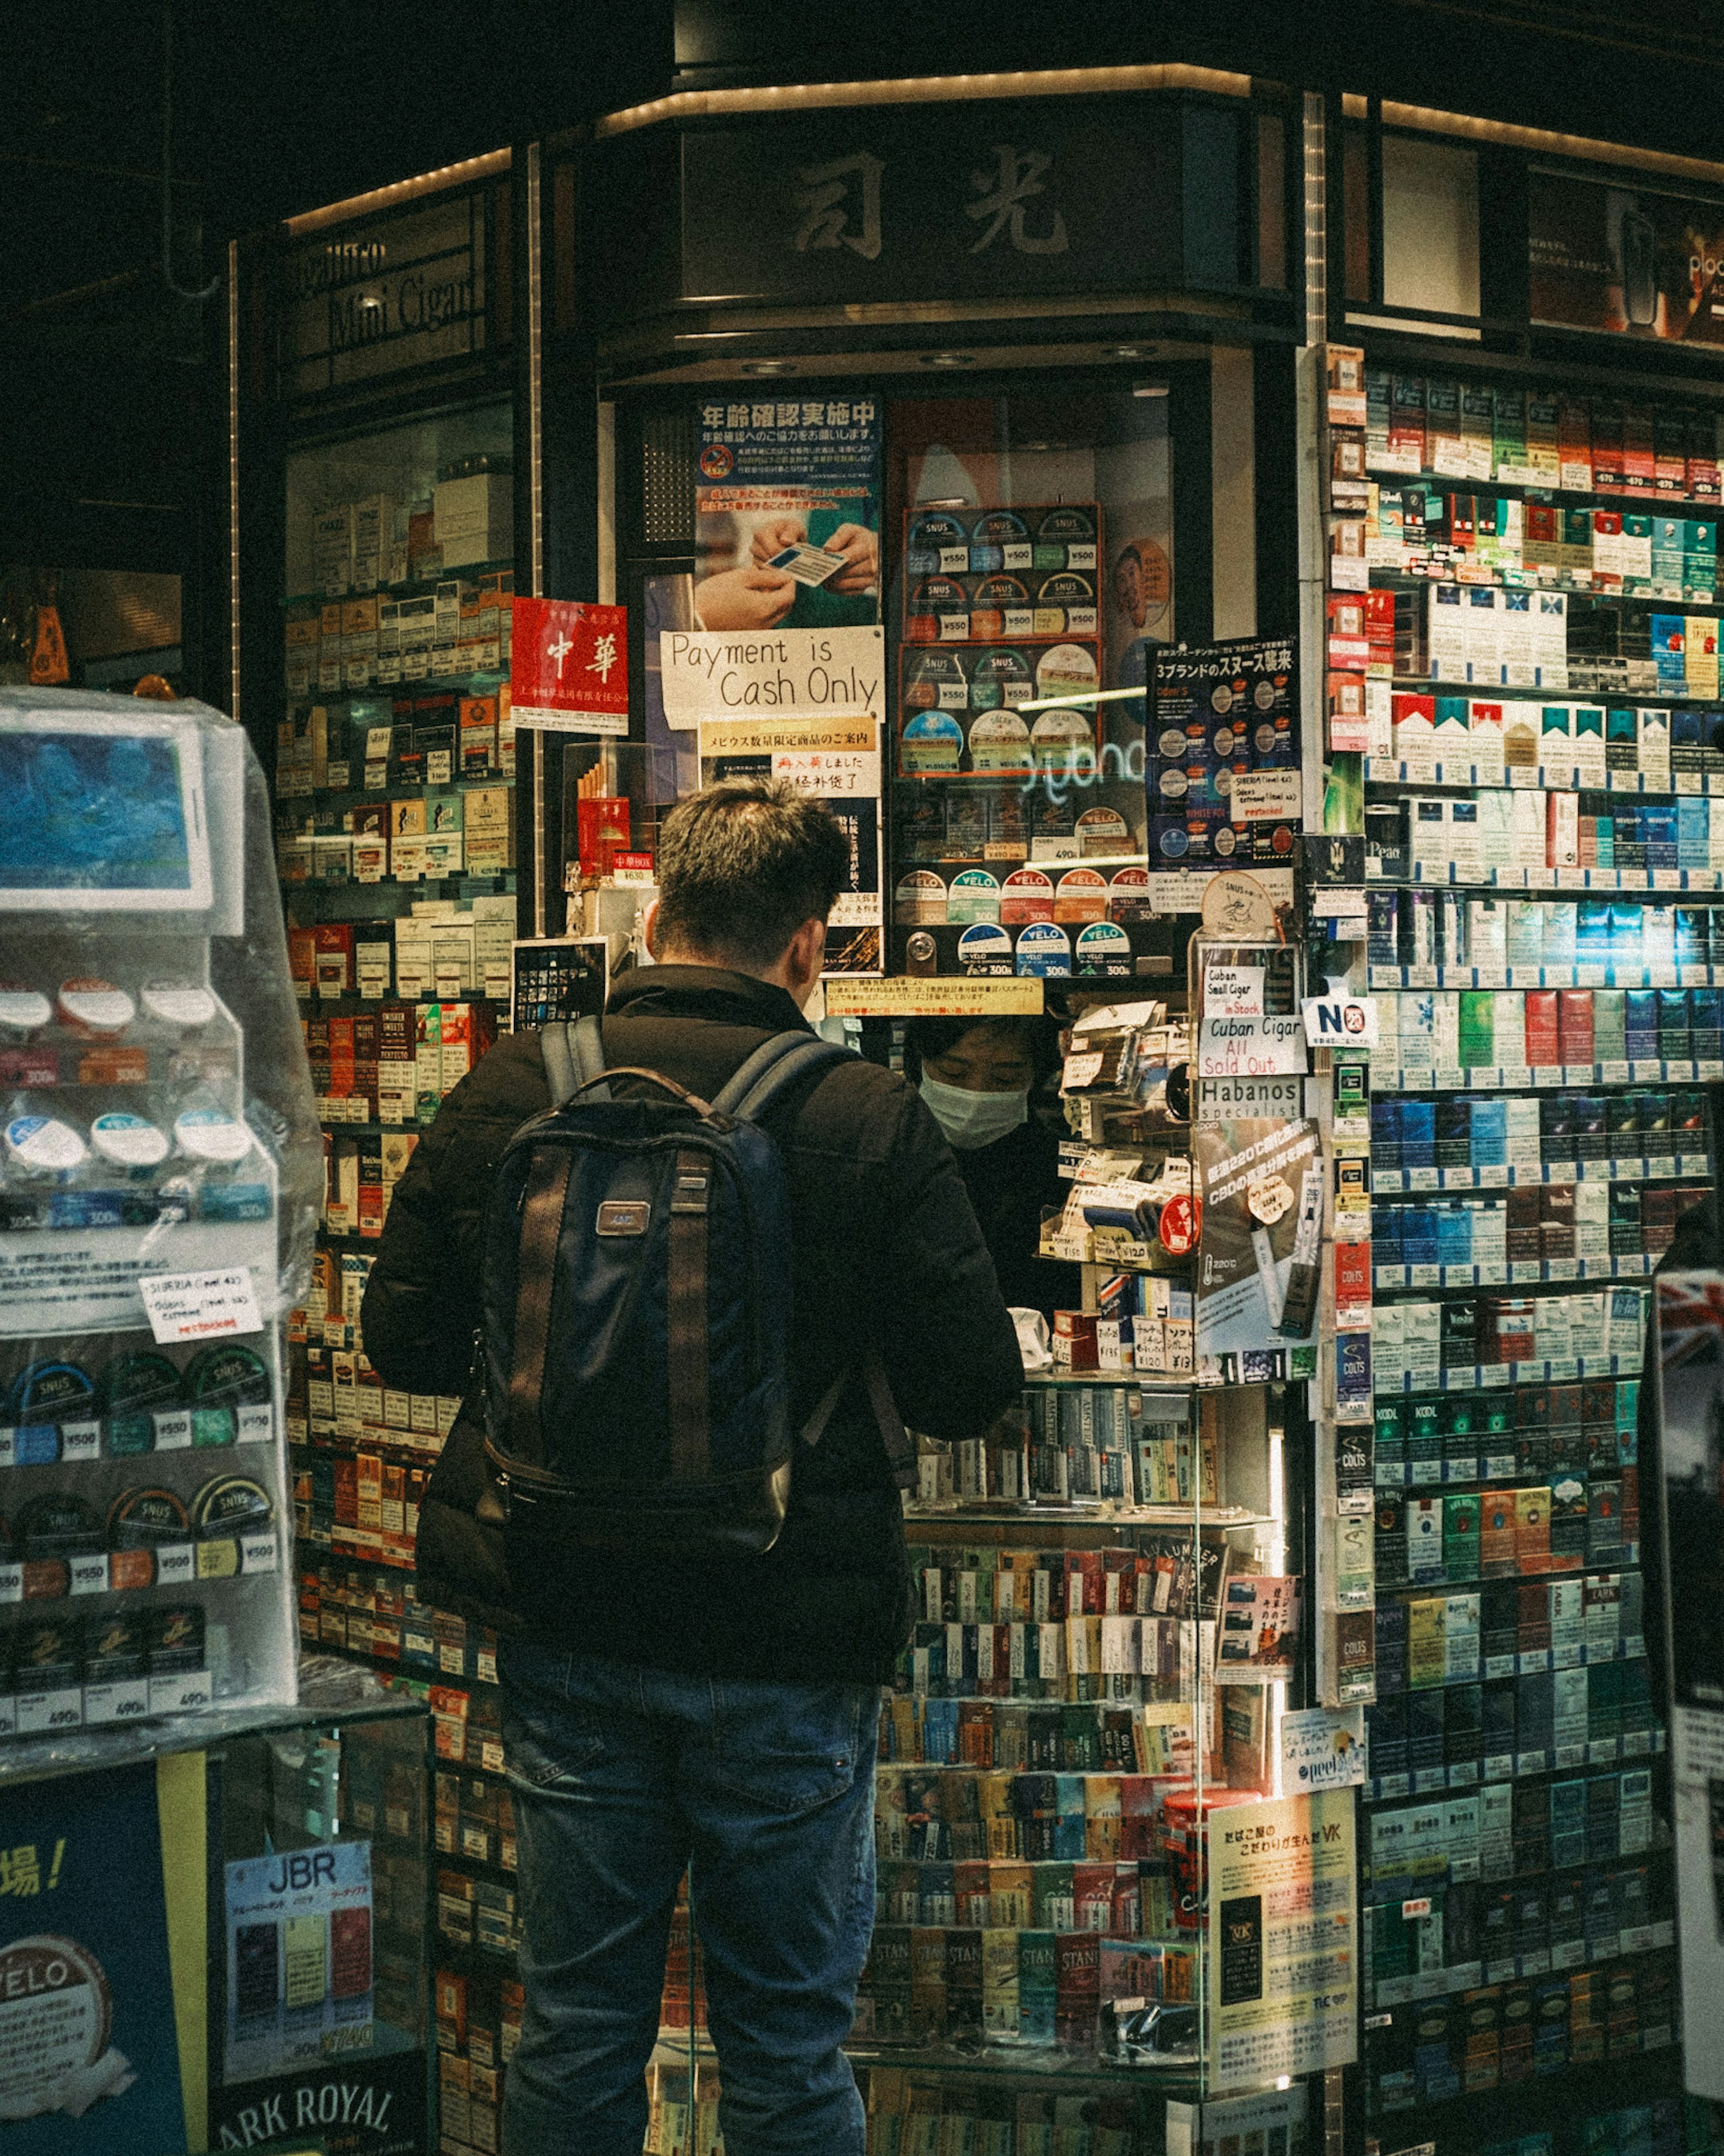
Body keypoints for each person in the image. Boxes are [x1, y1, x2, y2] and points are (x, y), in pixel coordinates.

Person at [361, 780, 1022, 2156]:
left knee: (577, 2024)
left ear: (653, 915)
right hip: (781, 1637)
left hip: (566, 1619)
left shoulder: (511, 1089)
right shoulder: (863, 1114)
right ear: (806, 945)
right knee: (785, 2043)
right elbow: (971, 1387)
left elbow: (403, 1343)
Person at [903, 1015, 1082, 1319]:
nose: (977, 1093)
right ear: (919, 1064)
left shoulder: (1061, 1175)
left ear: (1034, 1077)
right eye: (954, 1072)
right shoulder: (892, 1160)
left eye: (1004, 1079)